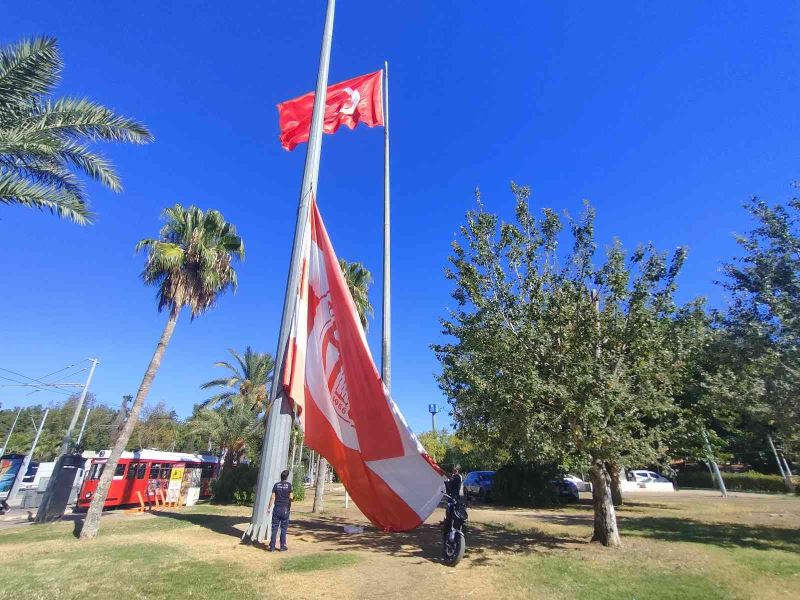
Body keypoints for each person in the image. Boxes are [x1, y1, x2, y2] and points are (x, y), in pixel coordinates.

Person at [268, 469, 293, 552]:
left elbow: (272, 497)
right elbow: (291, 497)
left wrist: (268, 508)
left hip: (277, 508)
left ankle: (272, 546)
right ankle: (282, 546)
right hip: (285, 509)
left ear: (281, 477)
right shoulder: (289, 485)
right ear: (287, 477)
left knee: (274, 527)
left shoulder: (276, 485)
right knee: (283, 528)